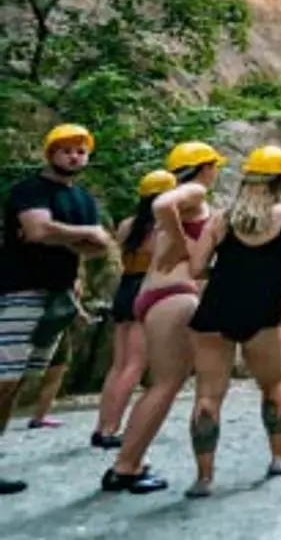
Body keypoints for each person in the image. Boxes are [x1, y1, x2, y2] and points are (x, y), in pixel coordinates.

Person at [182, 145, 281, 497]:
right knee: (273, 386)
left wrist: (226, 270)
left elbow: (195, 269)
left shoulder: (222, 220)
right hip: (263, 314)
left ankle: (204, 478)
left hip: (215, 311)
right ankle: (278, 458)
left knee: (207, 396)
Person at [103, 141, 224, 494]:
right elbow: (162, 204)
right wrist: (182, 243)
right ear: (204, 167)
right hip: (174, 297)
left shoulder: (183, 199)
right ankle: (126, 466)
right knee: (165, 386)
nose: (215, 173)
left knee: (161, 384)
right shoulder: (193, 191)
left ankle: (129, 462)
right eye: (214, 166)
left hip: (154, 296)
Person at [0, 124, 110, 496]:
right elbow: (37, 230)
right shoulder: (29, 190)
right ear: (51, 153)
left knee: (20, 381)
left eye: (81, 150)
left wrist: (66, 235)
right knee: (4, 379)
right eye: (67, 150)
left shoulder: (83, 199)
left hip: (58, 295)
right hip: (19, 291)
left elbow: (97, 247)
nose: (75, 156)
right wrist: (78, 235)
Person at [90, 168, 177, 448]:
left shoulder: (128, 224)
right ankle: (113, 429)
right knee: (135, 365)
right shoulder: (162, 227)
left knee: (119, 364)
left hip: (125, 288)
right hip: (145, 289)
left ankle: (102, 426)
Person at [24, 277, 93, 430]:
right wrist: (80, 312)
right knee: (57, 370)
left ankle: (39, 416)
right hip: (52, 323)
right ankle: (39, 417)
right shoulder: (64, 265)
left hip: (30, 317)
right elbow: (69, 292)